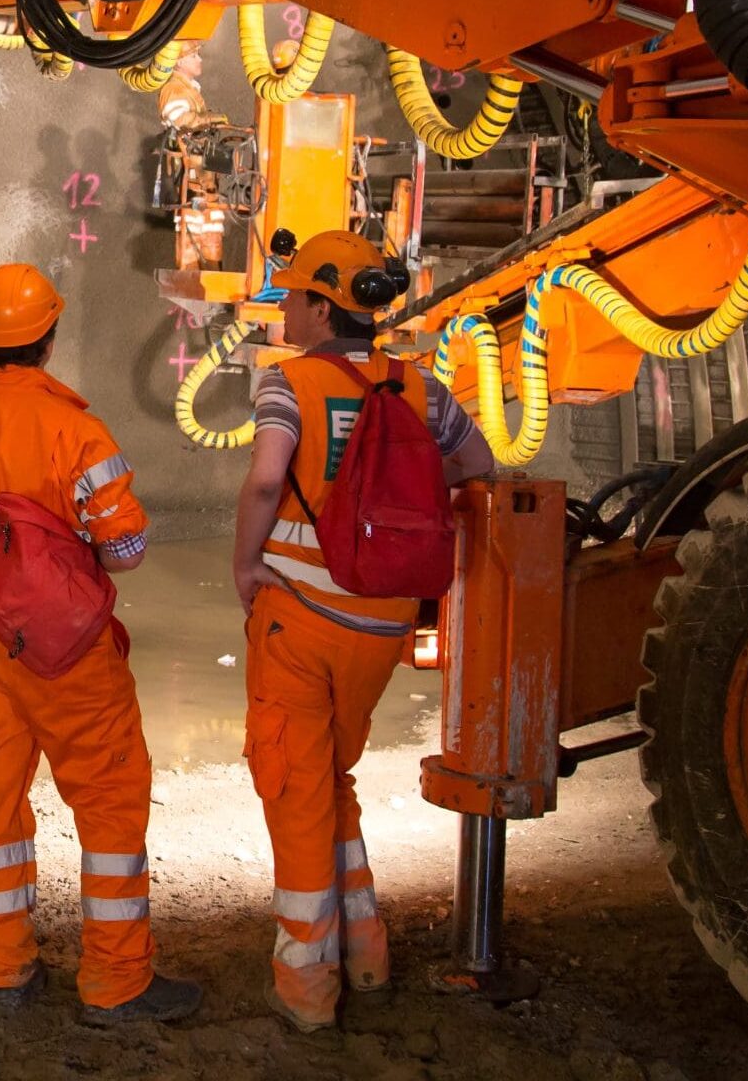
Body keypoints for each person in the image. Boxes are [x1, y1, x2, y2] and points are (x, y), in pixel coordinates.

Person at [0, 264, 202, 1025]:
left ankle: (1, 973)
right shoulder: (77, 432)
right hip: (71, 653)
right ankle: (117, 982)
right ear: (48, 341)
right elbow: (125, 550)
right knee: (109, 802)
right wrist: (62, 568)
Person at [230, 229, 492, 1031]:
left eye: (294, 299)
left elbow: (267, 479)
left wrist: (245, 568)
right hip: (382, 622)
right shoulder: (418, 388)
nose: (287, 314)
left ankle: (308, 986)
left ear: (317, 306)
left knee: (294, 787)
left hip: (300, 618)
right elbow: (478, 465)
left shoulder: (291, 385)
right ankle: (366, 952)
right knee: (332, 779)